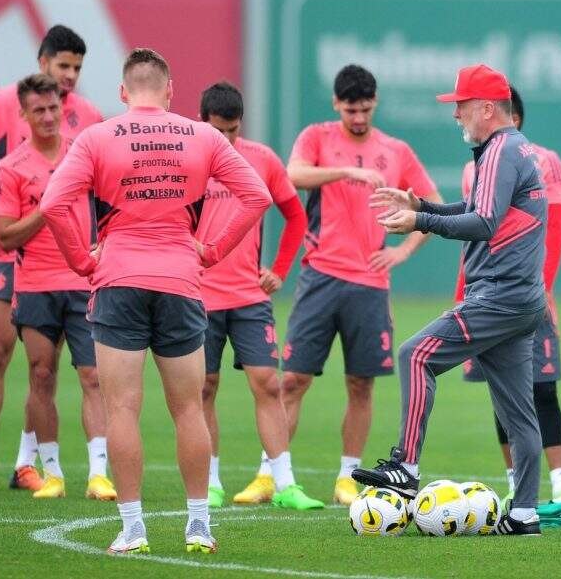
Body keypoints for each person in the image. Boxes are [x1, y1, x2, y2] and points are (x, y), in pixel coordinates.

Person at [40, 48, 271, 554]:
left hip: (118, 279)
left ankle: (133, 528)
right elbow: (258, 195)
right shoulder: (203, 136)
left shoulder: (97, 137)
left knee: (121, 409)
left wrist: (81, 261)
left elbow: (53, 203)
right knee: (188, 408)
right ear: (170, 91)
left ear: (123, 92)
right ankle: (199, 525)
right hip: (181, 280)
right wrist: (212, 250)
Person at [353, 64, 548, 536]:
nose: (456, 114)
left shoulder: (501, 149)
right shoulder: (511, 147)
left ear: (487, 108)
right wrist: (422, 205)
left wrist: (420, 222)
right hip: (521, 301)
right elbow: (478, 209)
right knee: (520, 416)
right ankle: (524, 514)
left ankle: (406, 467)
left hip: (499, 296)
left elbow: (482, 222)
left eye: (461, 106)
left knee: (415, 355)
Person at [0, 25, 103, 492]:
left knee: (46, 367)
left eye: (77, 68)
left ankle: (27, 464)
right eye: (63, 65)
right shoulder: (0, 103)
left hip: (66, 263)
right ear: (42, 63)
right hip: (13, 253)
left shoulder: (89, 116)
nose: (69, 75)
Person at [282, 64, 441, 505]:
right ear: (336, 104)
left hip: (370, 283)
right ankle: (274, 475)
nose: (358, 118)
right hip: (320, 275)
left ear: (375, 104)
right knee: (292, 380)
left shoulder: (396, 150)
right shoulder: (317, 137)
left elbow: (434, 205)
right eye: (351, 110)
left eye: (366, 109)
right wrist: (344, 173)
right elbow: (293, 174)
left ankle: (346, 478)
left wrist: (402, 251)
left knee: (361, 384)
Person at [0, 73, 114, 500]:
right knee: (41, 374)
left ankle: (99, 474)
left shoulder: (84, 155)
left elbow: (109, 205)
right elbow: (5, 235)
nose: (50, 116)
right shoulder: (10, 168)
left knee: (93, 375)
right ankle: (51, 473)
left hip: (83, 280)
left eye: (54, 108)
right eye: (39, 110)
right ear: (24, 114)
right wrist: (48, 207)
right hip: (35, 284)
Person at [194, 82, 321, 510]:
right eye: (218, 131)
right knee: (203, 388)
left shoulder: (262, 159)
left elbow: (296, 216)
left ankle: (284, 485)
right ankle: (210, 483)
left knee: (268, 384)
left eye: (233, 130)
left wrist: (279, 270)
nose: (226, 139)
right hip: (198, 297)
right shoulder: (187, 160)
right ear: (202, 123)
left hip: (249, 297)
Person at [460, 86, 561, 503]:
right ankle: (515, 485)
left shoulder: (544, 160)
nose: (462, 118)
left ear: (512, 119)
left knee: (543, 389)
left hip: (527, 295)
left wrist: (543, 289)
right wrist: (463, 296)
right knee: (502, 393)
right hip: (487, 295)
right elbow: (472, 240)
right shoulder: (474, 167)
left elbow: (555, 228)